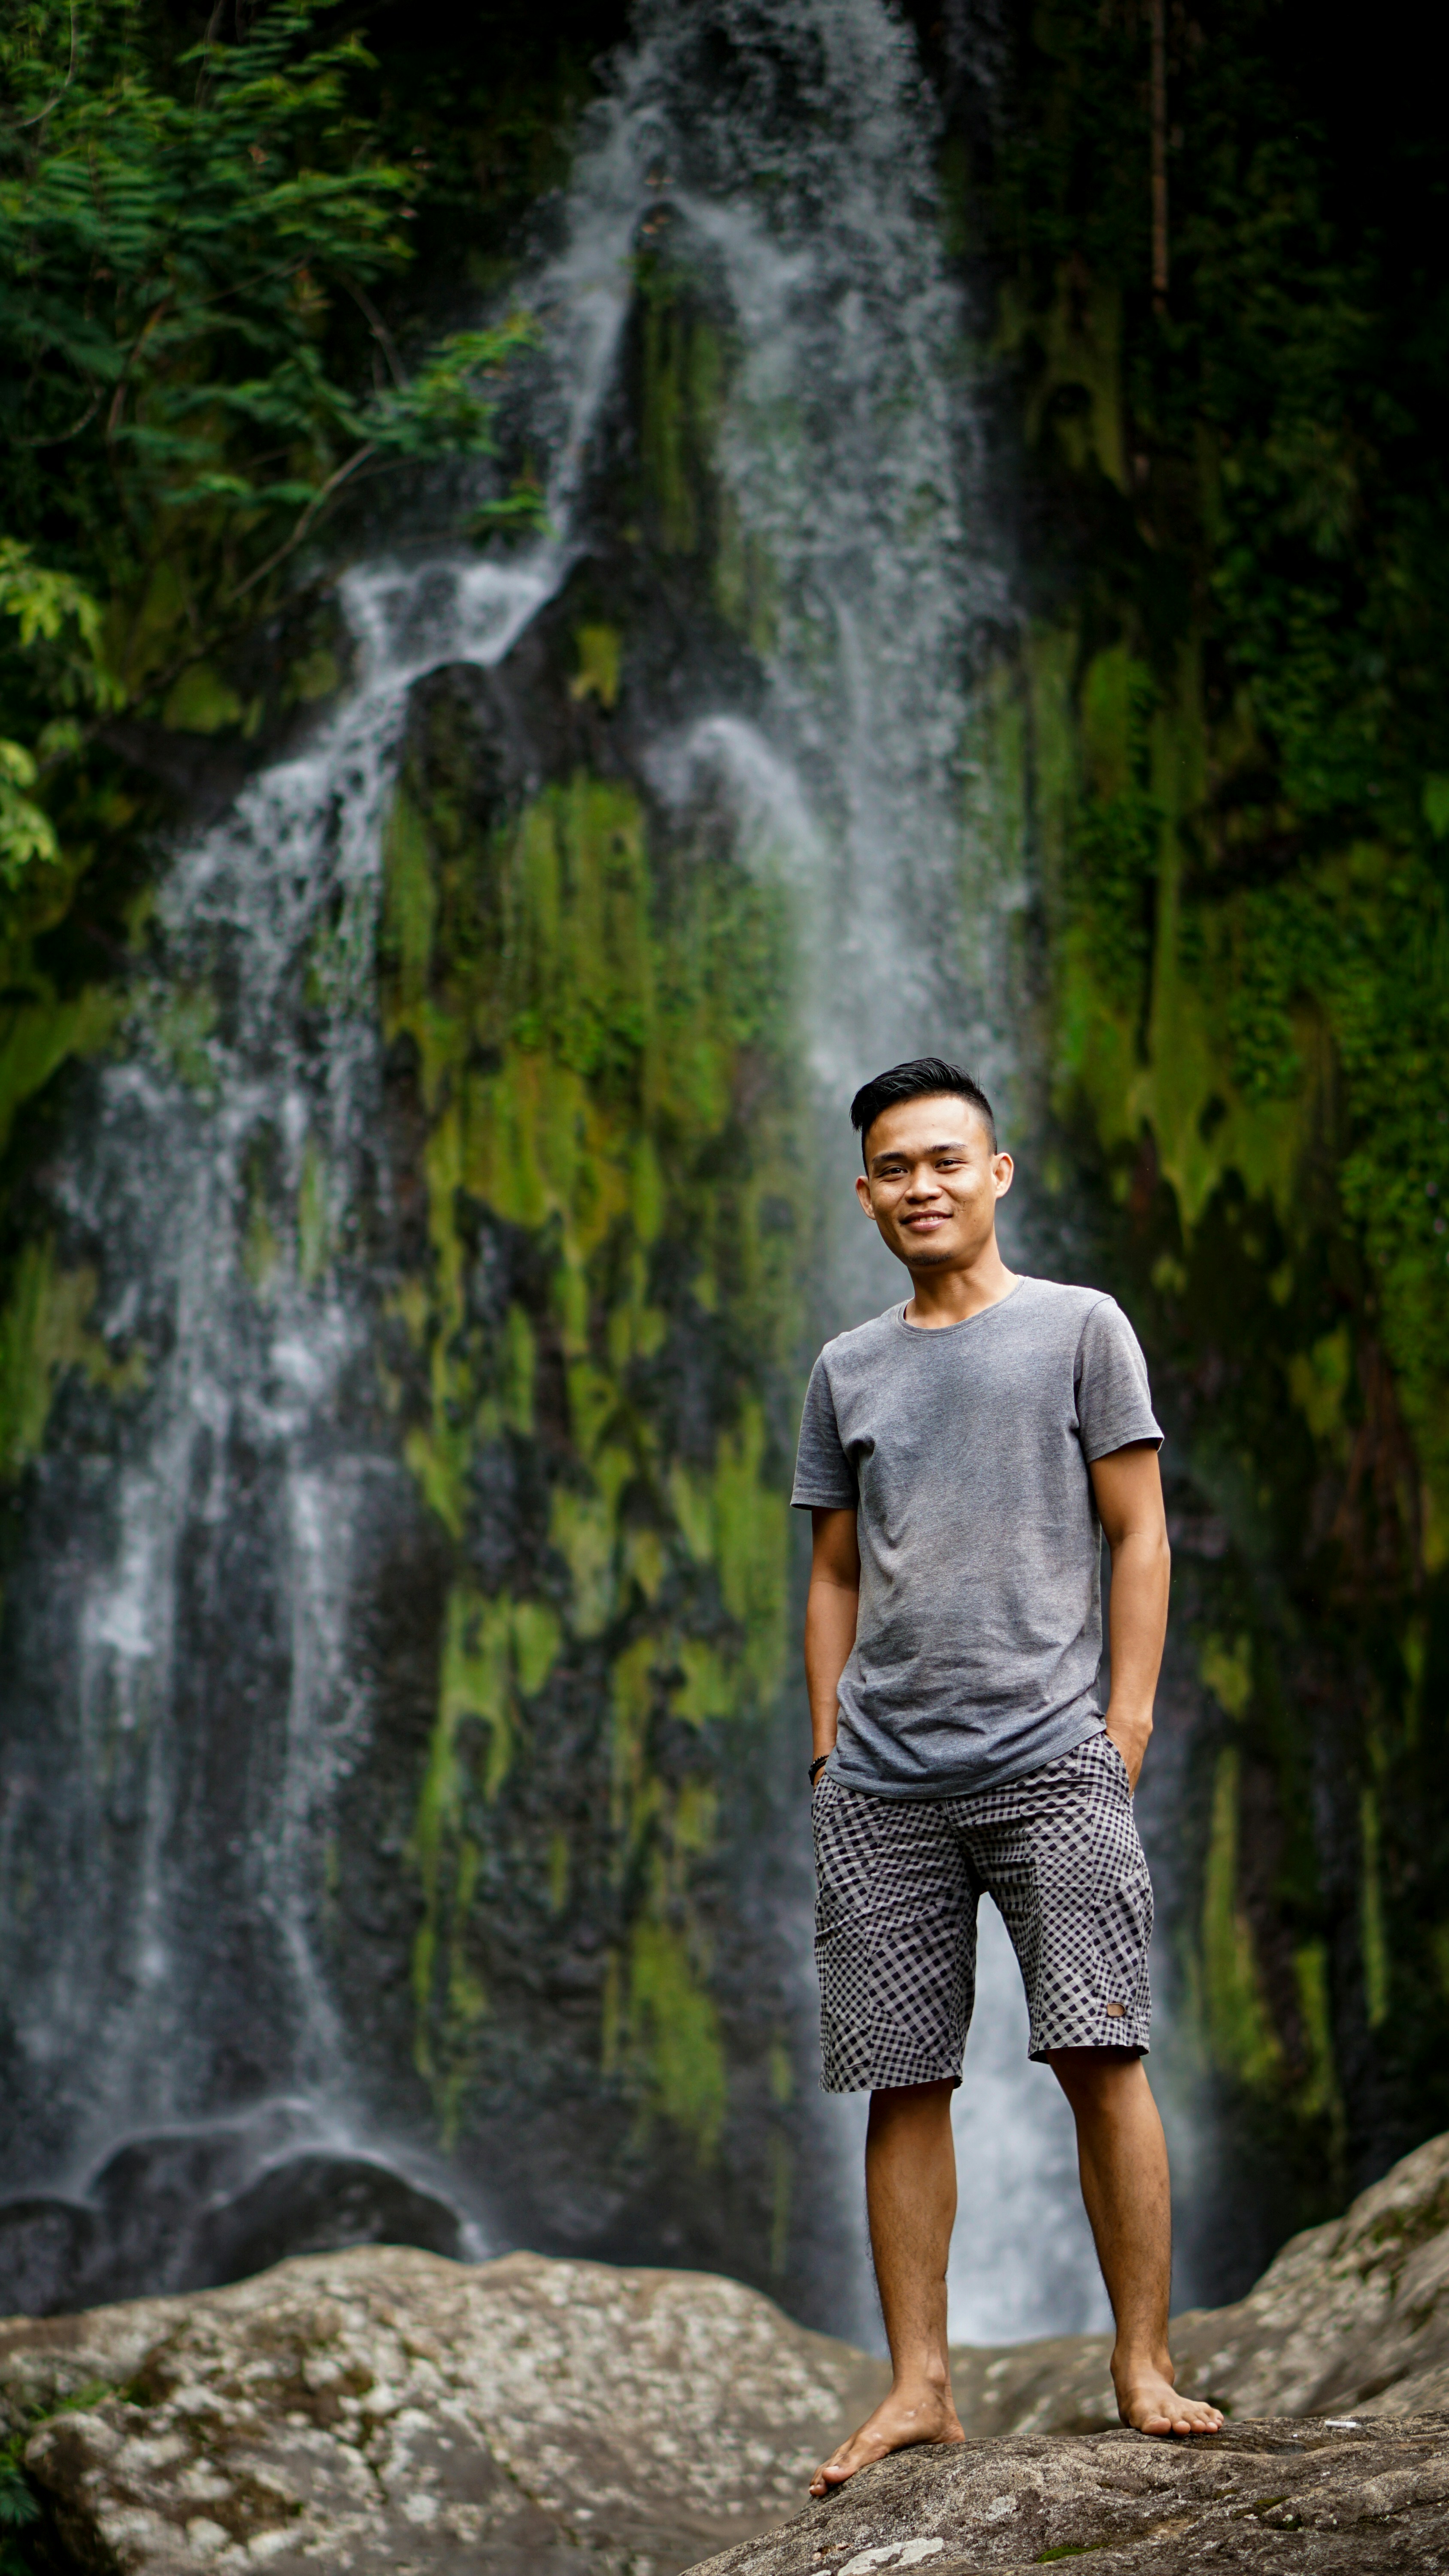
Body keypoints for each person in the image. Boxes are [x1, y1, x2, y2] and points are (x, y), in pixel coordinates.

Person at [792, 1057, 1222, 2494]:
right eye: (894, 1170)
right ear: (865, 1193)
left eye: (945, 1161)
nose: (921, 1186)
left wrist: (1132, 1720)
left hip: (1054, 1762)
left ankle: (1141, 2364)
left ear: (997, 1171)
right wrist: (823, 1740)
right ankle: (920, 2385)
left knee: (1104, 2050)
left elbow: (1141, 1531)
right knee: (898, 2080)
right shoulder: (847, 1367)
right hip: (884, 1783)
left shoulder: (1082, 1331)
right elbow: (834, 1567)